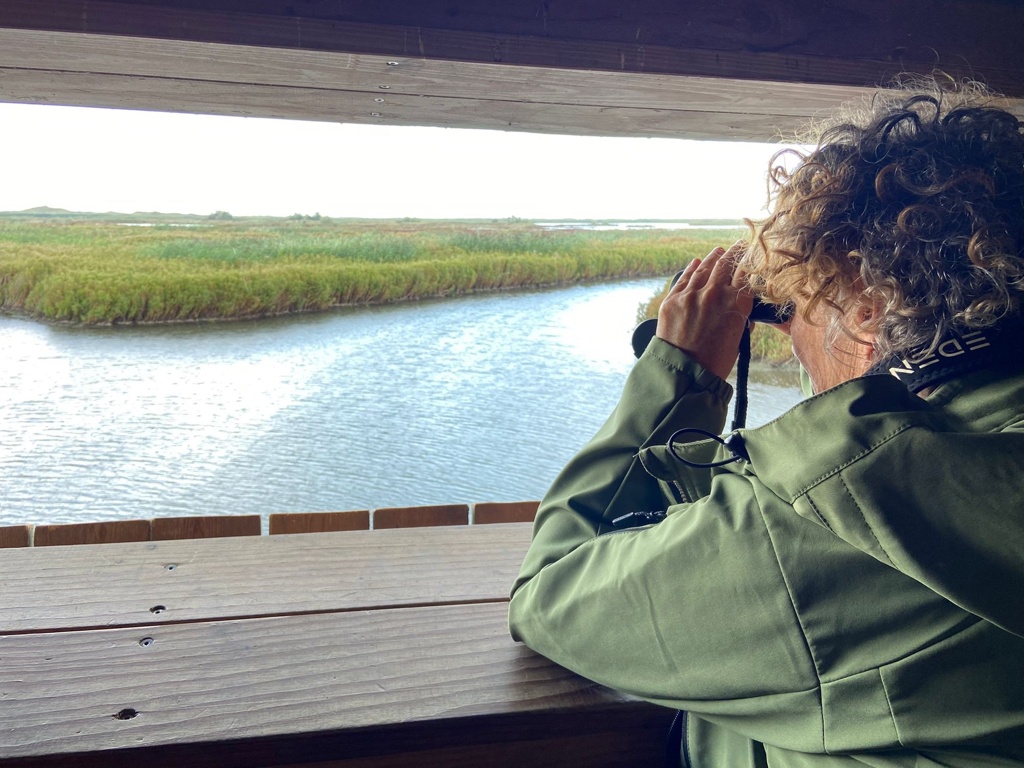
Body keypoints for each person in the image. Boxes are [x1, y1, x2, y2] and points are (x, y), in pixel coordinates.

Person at [508, 78, 1024, 767]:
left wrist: (680, 370)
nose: (795, 338)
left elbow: (552, 594)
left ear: (867, 309)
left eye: (796, 305)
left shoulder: (833, 508)